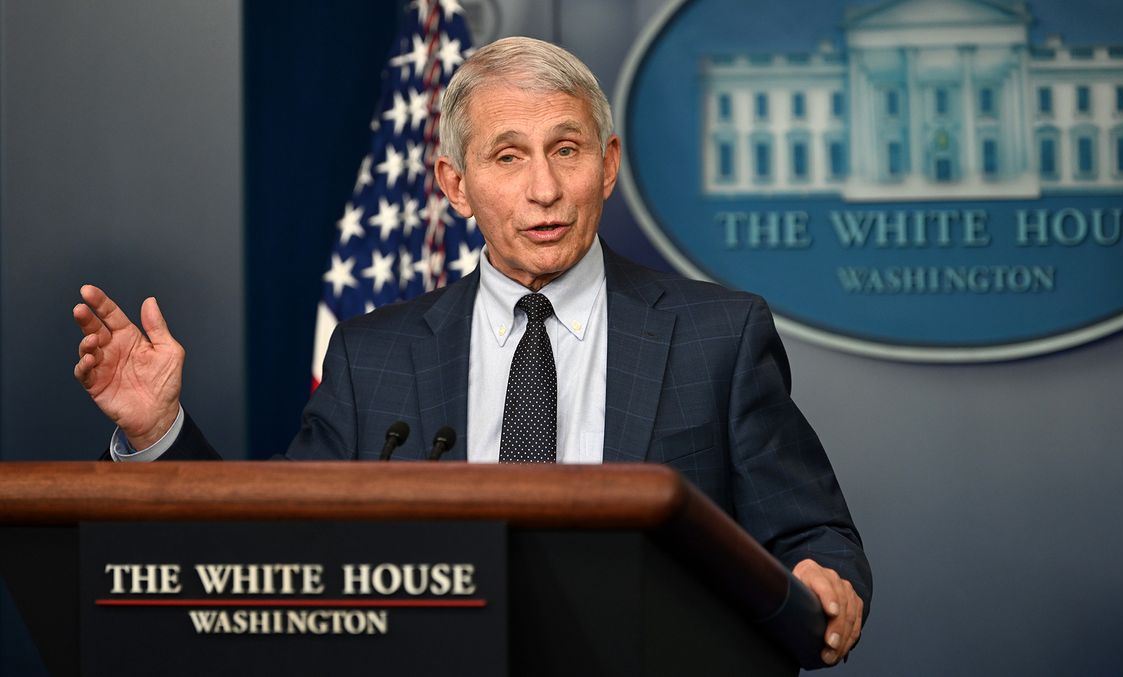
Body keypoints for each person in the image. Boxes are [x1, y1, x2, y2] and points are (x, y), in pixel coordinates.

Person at [73, 36, 870, 665]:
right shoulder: (372, 355)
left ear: (609, 163)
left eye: (567, 149)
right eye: (508, 156)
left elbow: (813, 536)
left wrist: (823, 582)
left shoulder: (715, 334)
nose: (545, 190)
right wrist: (158, 433)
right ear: (455, 185)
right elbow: (279, 559)